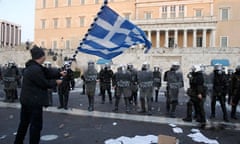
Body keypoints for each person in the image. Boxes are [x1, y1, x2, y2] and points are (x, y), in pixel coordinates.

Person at [14, 45, 65, 144]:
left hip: (27, 101)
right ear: (41, 57)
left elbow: (48, 72)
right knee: (35, 126)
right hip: (34, 103)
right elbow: (44, 83)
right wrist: (56, 82)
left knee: (24, 124)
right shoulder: (35, 70)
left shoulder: (33, 67)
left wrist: (59, 73)